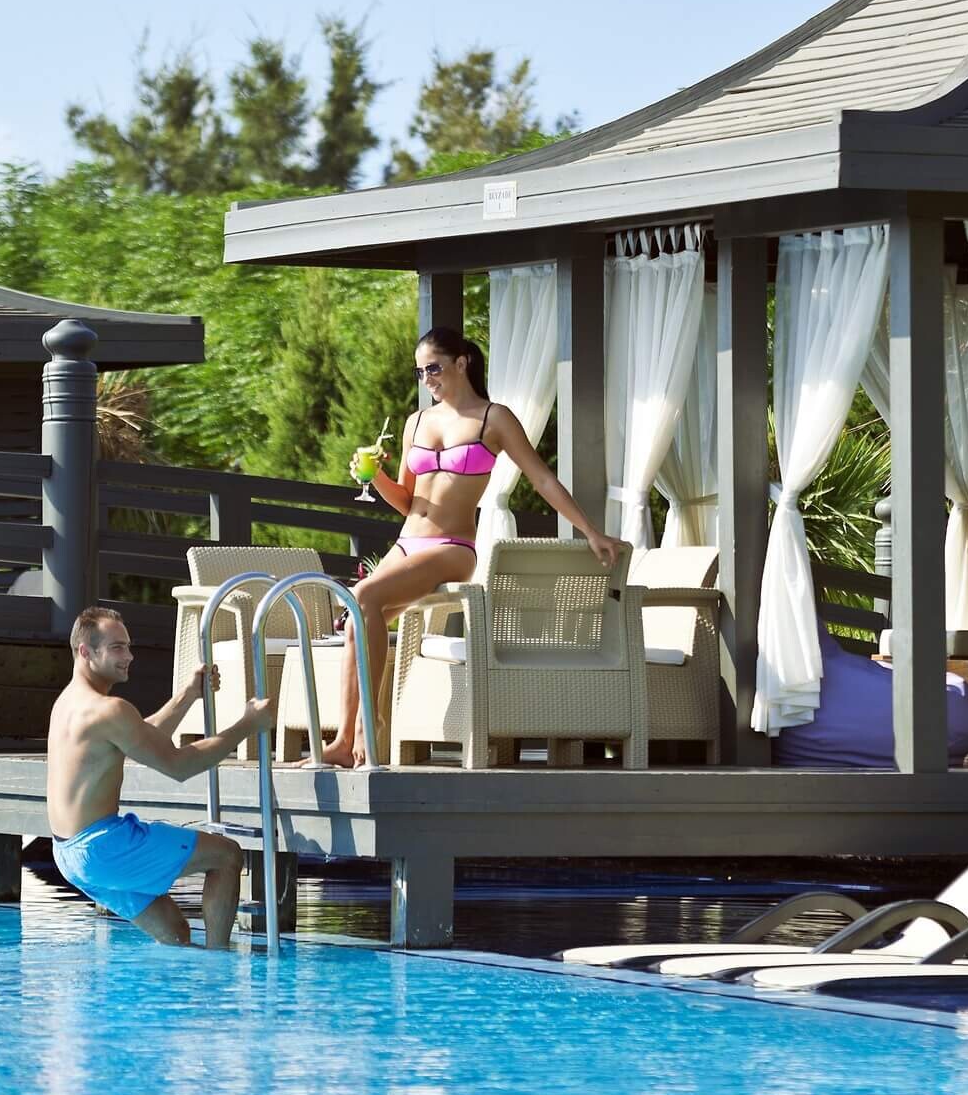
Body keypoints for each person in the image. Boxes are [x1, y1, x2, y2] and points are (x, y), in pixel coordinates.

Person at [314, 326, 621, 768]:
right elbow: (407, 501)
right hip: (408, 542)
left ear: (461, 363)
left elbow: (542, 478)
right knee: (356, 617)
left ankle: (368, 726)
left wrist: (589, 530)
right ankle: (344, 741)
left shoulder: (493, 419)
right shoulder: (416, 422)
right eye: (420, 372)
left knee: (363, 596)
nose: (427, 379)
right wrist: (374, 478)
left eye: (434, 368)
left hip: (453, 546)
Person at [47, 604, 276, 948]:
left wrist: (188, 694)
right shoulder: (109, 710)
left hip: (68, 854)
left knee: (176, 933)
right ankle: (218, 969)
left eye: (128, 646)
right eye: (117, 648)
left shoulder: (68, 703)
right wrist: (248, 724)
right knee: (227, 856)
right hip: (103, 847)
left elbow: (140, 736)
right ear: (85, 652)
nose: (129, 656)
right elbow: (179, 766)